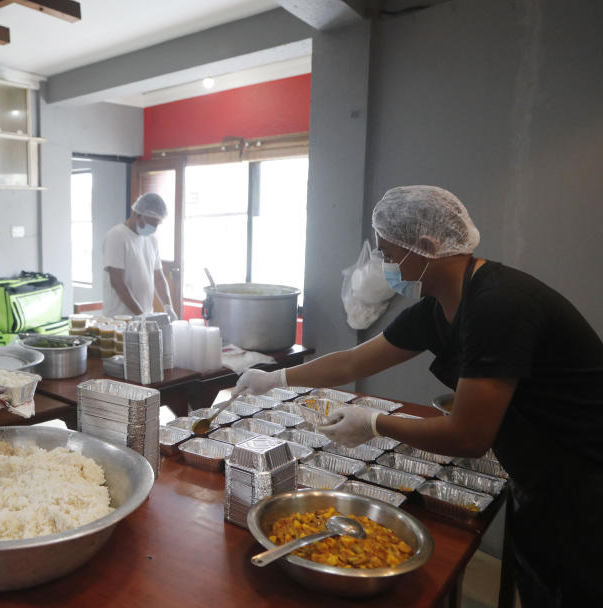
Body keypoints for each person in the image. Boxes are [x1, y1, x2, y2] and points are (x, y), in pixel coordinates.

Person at [232, 185, 603, 607]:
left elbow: (468, 437)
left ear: (425, 247)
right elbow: (353, 362)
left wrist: (373, 424)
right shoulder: (438, 307)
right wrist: (275, 378)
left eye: (389, 255)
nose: (386, 267)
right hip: (538, 474)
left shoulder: (500, 305)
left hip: (585, 482)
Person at [102, 192, 178, 320]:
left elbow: (158, 277)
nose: (154, 228)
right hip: (120, 320)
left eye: (157, 224)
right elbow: (118, 283)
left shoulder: (151, 239)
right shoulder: (116, 236)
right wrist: (140, 315)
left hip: (144, 318)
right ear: (137, 214)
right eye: (151, 222)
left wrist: (168, 306)